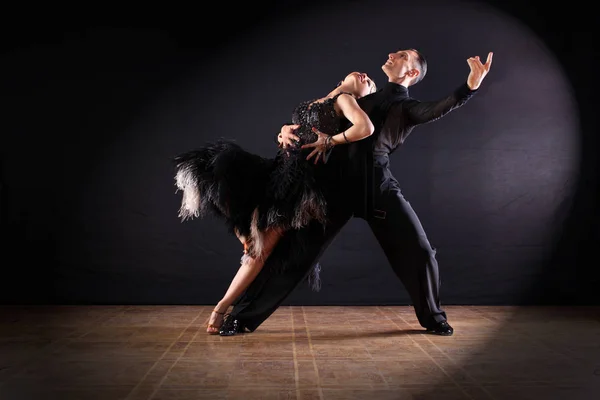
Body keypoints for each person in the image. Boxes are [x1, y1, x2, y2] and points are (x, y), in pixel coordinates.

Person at [218, 49, 493, 337]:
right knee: (295, 256)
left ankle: (434, 318)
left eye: (402, 56)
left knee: (420, 252)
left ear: (411, 74)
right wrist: (285, 131)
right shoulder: (356, 100)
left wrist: (469, 87)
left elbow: (436, 108)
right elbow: (315, 121)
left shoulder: (406, 108)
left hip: (377, 189)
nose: (392, 54)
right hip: (333, 190)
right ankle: (242, 319)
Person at [173, 71, 378, 334]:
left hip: (298, 184)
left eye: (370, 83)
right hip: (278, 169)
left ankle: (222, 307)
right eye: (366, 76)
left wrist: (329, 141)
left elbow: (365, 128)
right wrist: (282, 133)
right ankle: (246, 239)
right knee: (219, 173)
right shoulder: (321, 100)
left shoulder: (345, 100)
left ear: (363, 96)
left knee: (259, 251)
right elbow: (299, 130)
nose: (366, 77)